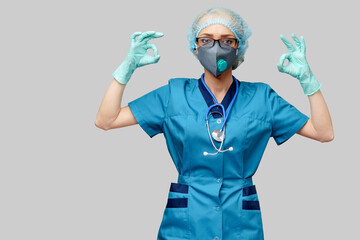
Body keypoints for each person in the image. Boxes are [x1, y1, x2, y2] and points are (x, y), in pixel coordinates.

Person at [95, 7, 334, 240]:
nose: (216, 48)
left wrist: (308, 82)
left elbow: (323, 132)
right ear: (195, 46)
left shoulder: (262, 98)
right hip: (186, 221)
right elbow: (107, 120)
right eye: (207, 40)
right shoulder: (173, 94)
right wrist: (125, 71)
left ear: (239, 46)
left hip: (239, 221)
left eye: (227, 41)